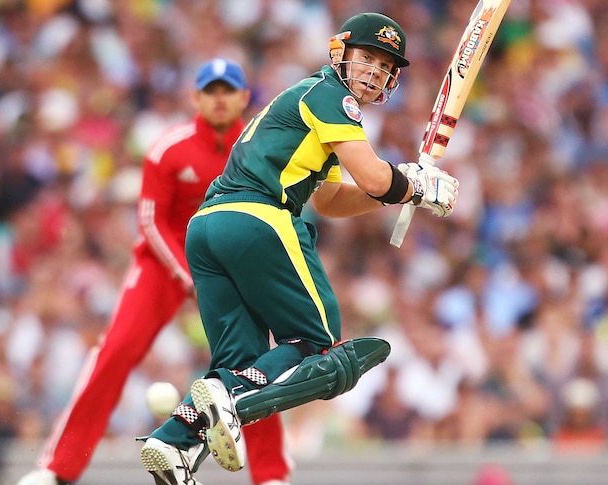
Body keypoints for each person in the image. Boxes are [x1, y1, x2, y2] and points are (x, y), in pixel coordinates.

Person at [139, 12, 459, 485]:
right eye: (366, 57)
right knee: (316, 342)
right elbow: (374, 177)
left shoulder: (308, 104)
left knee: (240, 365)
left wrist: (404, 189)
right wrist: (411, 183)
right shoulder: (331, 96)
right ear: (340, 53)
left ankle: (173, 441)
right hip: (258, 218)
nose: (373, 71)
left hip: (207, 228)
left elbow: (329, 201)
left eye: (384, 65)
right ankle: (229, 402)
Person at [18, 59, 293, 485]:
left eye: (228, 91)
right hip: (164, 266)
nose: (219, 99)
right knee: (115, 350)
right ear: (196, 98)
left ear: (243, 98)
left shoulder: (259, 148)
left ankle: (271, 476)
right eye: (211, 91)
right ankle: (57, 469)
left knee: (253, 365)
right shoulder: (169, 148)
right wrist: (190, 276)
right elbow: (151, 222)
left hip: (232, 268)